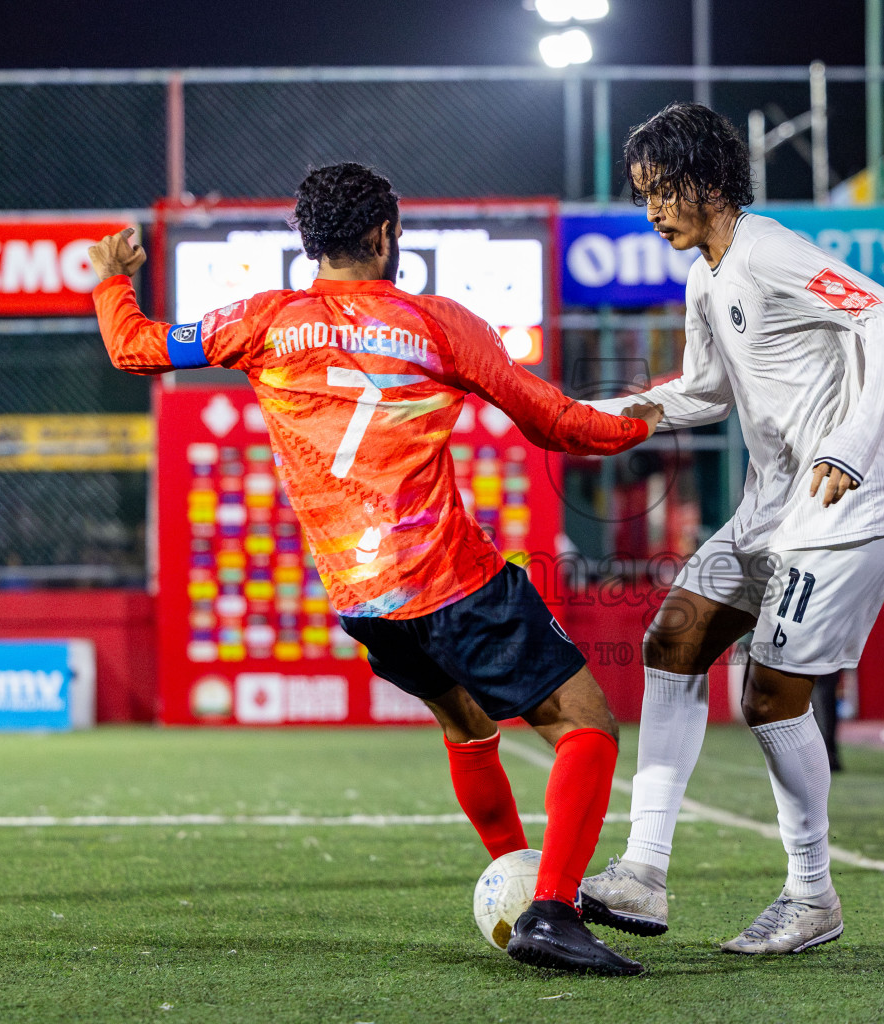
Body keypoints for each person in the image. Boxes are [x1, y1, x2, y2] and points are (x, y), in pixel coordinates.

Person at [89, 163, 662, 976]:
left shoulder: (261, 322)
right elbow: (560, 424)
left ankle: (521, 875)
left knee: (467, 725)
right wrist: (657, 413)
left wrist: (114, 279)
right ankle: (553, 906)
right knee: (587, 728)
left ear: (311, 241)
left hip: (365, 602)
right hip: (454, 580)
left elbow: (135, 348)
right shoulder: (438, 325)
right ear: (387, 234)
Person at [577, 102, 884, 954]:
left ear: (707, 182)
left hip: (849, 509)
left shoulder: (767, 249)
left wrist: (849, 441)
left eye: (661, 191)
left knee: (767, 696)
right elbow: (701, 391)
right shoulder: (707, 275)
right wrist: (591, 415)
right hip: (773, 509)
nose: (652, 209)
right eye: (642, 196)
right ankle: (642, 874)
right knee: (676, 637)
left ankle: (812, 897)